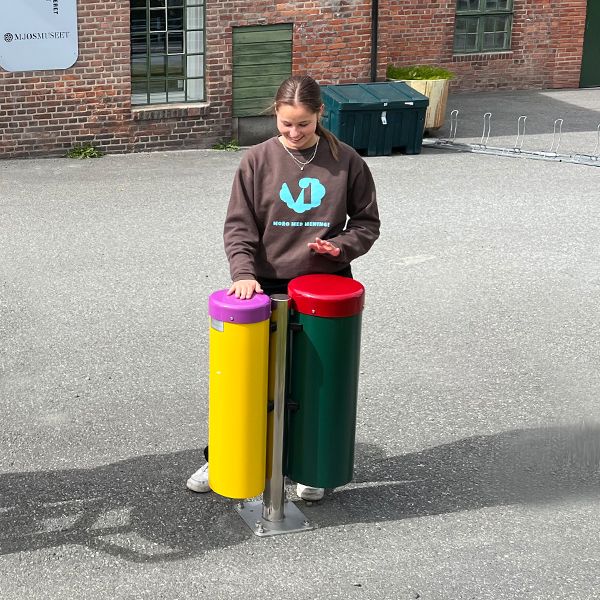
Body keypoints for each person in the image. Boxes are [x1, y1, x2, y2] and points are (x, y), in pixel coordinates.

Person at [187, 75, 380, 501]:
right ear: (275, 114)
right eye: (286, 123)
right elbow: (239, 226)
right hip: (264, 284)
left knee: (312, 382)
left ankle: (308, 465)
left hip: (323, 286)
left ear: (319, 117)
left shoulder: (347, 161)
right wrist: (242, 273)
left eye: (304, 125)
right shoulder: (256, 161)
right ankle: (223, 456)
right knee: (247, 381)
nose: (294, 133)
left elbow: (367, 223)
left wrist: (340, 246)